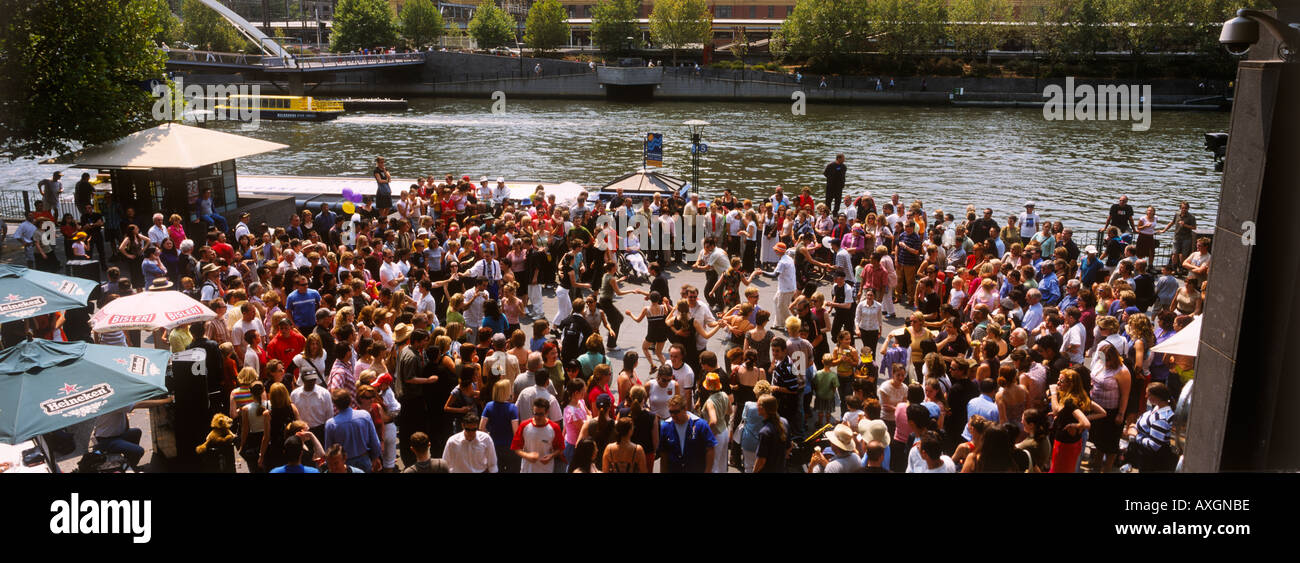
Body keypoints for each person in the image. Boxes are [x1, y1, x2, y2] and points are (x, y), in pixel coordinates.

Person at [90, 396, 174, 472]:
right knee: (138, 451)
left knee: (136, 432)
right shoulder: (114, 402)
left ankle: (128, 461)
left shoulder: (113, 399)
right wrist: (166, 400)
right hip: (107, 441)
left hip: (115, 435)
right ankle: (129, 467)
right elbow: (140, 404)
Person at [323, 388, 383, 472]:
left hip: (344, 464)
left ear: (335, 404)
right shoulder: (364, 416)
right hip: (364, 459)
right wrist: (376, 457)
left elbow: (329, 449)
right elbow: (374, 440)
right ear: (350, 400)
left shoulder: (331, 424)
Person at [657, 394, 717, 473]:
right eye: (671, 412)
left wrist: (708, 471)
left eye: (676, 412)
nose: (673, 415)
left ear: (685, 409)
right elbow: (664, 454)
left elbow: (710, 449)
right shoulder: (666, 427)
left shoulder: (700, 425)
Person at [511, 397, 565, 473]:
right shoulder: (524, 425)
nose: (537, 417)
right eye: (535, 413)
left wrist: (551, 456)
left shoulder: (554, 428)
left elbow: (560, 448)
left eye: (540, 414)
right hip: (527, 469)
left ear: (547, 413)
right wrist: (527, 456)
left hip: (546, 469)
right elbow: (516, 448)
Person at [752, 395, 789, 473]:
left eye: (757, 404)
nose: (756, 405)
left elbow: (761, 460)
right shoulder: (784, 422)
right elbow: (789, 446)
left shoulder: (765, 432)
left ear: (762, 409)